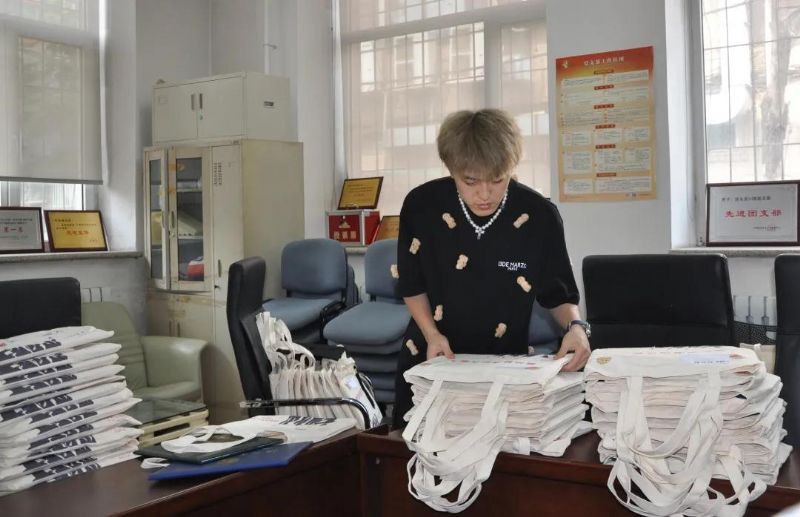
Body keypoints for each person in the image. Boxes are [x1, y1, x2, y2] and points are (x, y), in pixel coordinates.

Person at [393, 108, 591, 428]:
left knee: (502, 447)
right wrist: (432, 333)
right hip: (432, 355)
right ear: (452, 169)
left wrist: (576, 328)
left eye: (497, 180)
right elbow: (412, 284)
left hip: (504, 366)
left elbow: (558, 294)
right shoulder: (422, 206)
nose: (484, 194)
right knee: (416, 445)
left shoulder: (538, 216)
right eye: (470, 181)